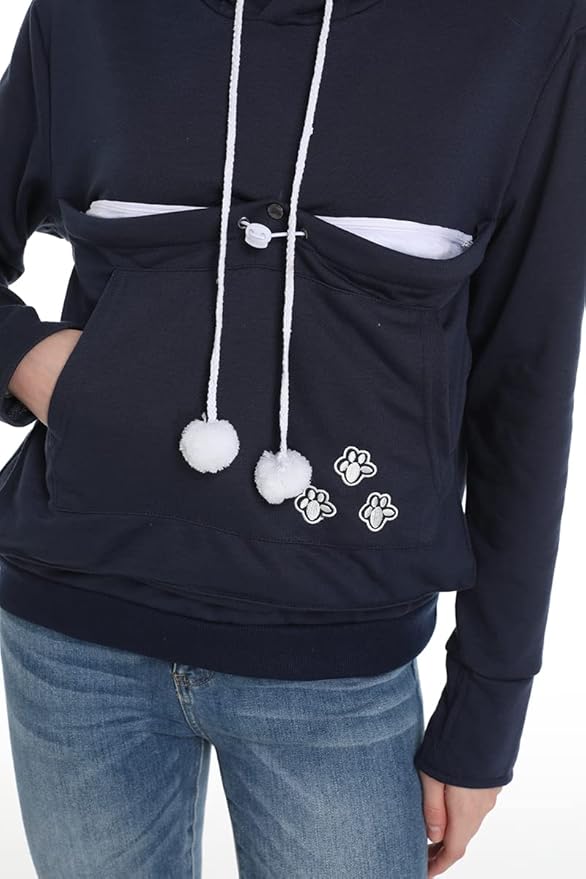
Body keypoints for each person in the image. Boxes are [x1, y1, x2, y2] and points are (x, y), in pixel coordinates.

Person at [0, 0, 584, 876]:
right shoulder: (89, 15)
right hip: (73, 642)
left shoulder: (527, 28)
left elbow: (526, 379)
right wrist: (28, 359)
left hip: (338, 666)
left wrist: (489, 708)